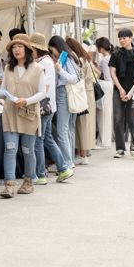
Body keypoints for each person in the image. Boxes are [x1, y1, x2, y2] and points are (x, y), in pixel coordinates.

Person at [0, 34, 44, 198]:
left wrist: (27, 101)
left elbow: (42, 93)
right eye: (14, 47)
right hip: (10, 113)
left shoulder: (38, 69)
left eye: (20, 46)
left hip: (29, 114)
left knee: (27, 150)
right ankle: (9, 185)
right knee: (10, 149)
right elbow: (3, 90)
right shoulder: (8, 68)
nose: (16, 50)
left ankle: (28, 181)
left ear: (27, 49)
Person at [29, 32, 74, 185]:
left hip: (44, 107)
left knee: (39, 140)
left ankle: (41, 174)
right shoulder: (46, 61)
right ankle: (63, 168)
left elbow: (45, 86)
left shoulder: (44, 63)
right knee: (47, 138)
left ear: (36, 49)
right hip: (49, 106)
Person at [48, 35, 81, 168]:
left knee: (62, 130)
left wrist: (59, 70)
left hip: (64, 93)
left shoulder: (66, 58)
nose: (52, 53)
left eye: (52, 50)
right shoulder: (70, 56)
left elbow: (73, 78)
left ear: (56, 47)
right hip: (67, 93)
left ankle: (67, 162)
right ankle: (69, 160)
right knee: (67, 130)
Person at [66, 37, 97, 165]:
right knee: (86, 124)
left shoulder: (79, 60)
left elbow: (79, 79)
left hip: (82, 94)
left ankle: (82, 154)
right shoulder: (86, 59)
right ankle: (84, 153)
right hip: (89, 94)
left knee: (82, 125)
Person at [109, 28, 134, 158]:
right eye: (120, 38)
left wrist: (130, 92)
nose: (122, 40)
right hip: (118, 89)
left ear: (130, 38)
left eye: (124, 38)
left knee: (132, 119)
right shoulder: (116, 54)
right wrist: (120, 89)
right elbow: (112, 73)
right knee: (118, 118)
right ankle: (120, 148)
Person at [94, 37, 114, 150]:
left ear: (101, 47)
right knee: (106, 114)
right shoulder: (110, 57)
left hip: (106, 86)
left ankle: (104, 142)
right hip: (110, 87)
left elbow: (106, 76)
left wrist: (93, 67)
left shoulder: (105, 59)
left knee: (103, 115)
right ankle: (104, 140)